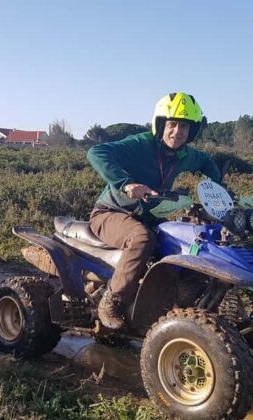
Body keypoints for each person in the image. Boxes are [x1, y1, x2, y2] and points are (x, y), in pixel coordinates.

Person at [86, 92, 222, 330]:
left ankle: (175, 307)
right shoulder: (141, 144)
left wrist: (219, 192)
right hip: (111, 212)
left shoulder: (187, 155)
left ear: (192, 131)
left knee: (183, 243)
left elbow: (208, 164)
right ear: (160, 124)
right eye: (172, 124)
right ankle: (112, 301)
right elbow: (97, 153)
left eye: (184, 126)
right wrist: (126, 183)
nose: (177, 132)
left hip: (149, 216)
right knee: (142, 238)